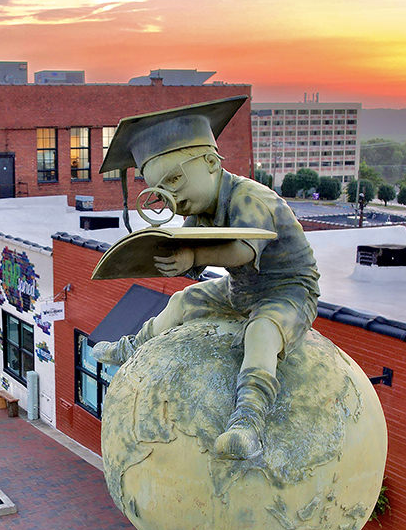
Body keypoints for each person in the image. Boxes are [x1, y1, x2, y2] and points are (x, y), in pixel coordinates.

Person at [92, 96, 319, 461]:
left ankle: (249, 419)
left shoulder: (250, 197)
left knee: (261, 332)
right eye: (161, 190)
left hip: (287, 290)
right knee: (182, 300)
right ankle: (132, 347)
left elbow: (244, 250)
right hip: (240, 289)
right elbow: (190, 253)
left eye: (176, 180)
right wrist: (176, 259)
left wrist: (194, 256)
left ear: (212, 163)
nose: (171, 197)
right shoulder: (201, 210)